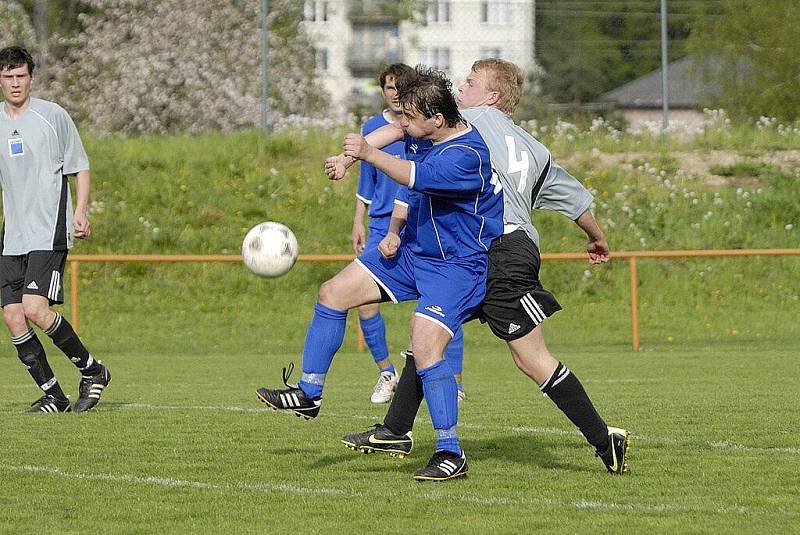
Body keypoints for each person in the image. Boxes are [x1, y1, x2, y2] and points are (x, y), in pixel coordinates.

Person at [333, 59, 630, 475]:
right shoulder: (535, 148)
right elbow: (577, 200)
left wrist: (355, 154)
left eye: (470, 82)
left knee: (529, 357)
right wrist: (596, 237)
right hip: (501, 248)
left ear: (491, 97)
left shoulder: (465, 121)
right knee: (429, 334)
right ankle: (395, 429)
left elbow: (403, 126)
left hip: (498, 250)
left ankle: (603, 439)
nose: (460, 87)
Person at [257, 66, 503, 481]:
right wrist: (349, 155)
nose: (402, 124)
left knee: (424, 347)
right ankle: (308, 392)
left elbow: (412, 174)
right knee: (333, 292)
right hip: (415, 253)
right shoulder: (430, 128)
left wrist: (367, 154)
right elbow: (391, 133)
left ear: (436, 120)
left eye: (409, 118)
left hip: (457, 266)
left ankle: (450, 451)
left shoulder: (467, 155)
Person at [0, 46, 110, 413]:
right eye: (8, 76)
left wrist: (80, 211)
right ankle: (54, 395)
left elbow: (80, 166)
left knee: (34, 307)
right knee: (13, 315)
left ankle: (92, 371)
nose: (15, 83)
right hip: (13, 233)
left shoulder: (53, 116)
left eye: (21, 76)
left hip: (48, 228)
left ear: (31, 78)